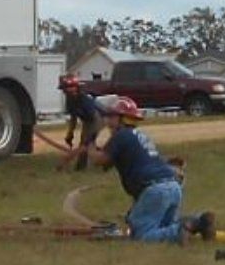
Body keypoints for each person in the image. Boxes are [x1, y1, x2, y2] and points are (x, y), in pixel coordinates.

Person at [59, 96, 215, 244]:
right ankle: (199, 221)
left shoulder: (121, 136)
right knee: (162, 226)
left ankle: (180, 230)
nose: (107, 121)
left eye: (111, 116)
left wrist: (90, 148)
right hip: (173, 187)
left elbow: (101, 160)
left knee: (141, 236)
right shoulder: (138, 136)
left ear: (122, 119)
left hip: (155, 189)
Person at [58, 75, 103, 171]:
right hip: (87, 121)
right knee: (86, 144)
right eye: (65, 88)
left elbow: (93, 117)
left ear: (76, 88)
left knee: (85, 144)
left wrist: (90, 136)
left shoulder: (84, 99)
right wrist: (70, 134)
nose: (67, 91)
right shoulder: (70, 101)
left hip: (96, 120)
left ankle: (81, 167)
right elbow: (73, 118)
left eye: (70, 87)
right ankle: (83, 166)